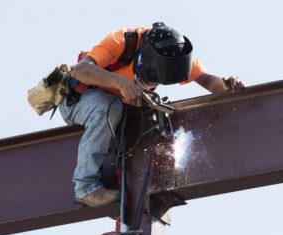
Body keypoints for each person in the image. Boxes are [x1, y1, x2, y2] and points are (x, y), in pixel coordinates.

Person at [59, 22, 244, 208]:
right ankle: (85, 186)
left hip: (120, 108)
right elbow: (81, 70)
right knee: (107, 107)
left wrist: (227, 86)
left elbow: (210, 82)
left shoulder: (177, 56)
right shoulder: (121, 41)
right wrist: (121, 84)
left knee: (152, 122)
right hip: (79, 101)